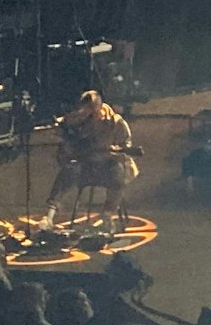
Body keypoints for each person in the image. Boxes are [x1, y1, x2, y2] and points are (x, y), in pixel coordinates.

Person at [40, 90, 139, 227]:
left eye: (92, 111)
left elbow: (126, 147)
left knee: (118, 175)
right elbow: (63, 124)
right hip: (86, 164)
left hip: (107, 164)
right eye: (85, 111)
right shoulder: (79, 118)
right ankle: (49, 215)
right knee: (68, 171)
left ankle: (107, 215)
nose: (88, 115)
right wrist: (62, 132)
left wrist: (114, 151)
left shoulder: (116, 122)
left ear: (98, 108)